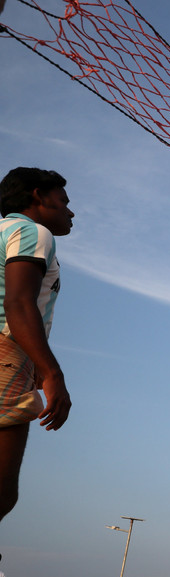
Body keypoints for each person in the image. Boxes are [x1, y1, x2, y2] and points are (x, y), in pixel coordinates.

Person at [0, 168, 74, 525]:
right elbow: (18, 303)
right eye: (63, 201)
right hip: (6, 352)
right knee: (2, 492)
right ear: (38, 197)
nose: (70, 212)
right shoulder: (32, 232)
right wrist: (51, 373)